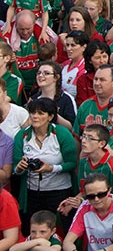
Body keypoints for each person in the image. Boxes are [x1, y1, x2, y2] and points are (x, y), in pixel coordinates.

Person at [13, 97, 77, 226]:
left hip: (59, 191)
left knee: (59, 227)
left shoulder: (61, 133)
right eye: (32, 113)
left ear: (50, 116)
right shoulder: (22, 135)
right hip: (32, 193)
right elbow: (15, 168)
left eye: (40, 113)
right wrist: (20, 168)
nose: (35, 116)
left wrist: (51, 168)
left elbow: (72, 163)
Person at [62, 174, 113, 251]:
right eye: (91, 196)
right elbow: (67, 242)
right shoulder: (84, 207)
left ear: (109, 191)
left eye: (101, 194)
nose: (96, 199)